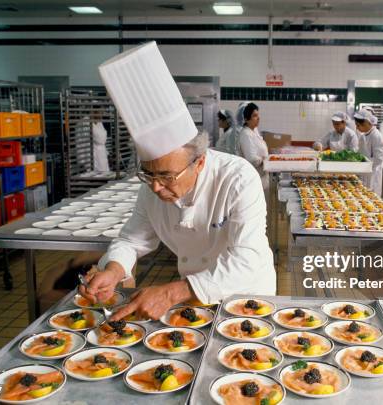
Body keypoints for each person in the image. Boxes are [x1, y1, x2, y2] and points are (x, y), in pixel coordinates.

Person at [79, 42, 276, 320]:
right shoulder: (152, 188)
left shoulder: (237, 179)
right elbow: (131, 239)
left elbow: (246, 259)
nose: (156, 186)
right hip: (194, 292)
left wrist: (170, 293)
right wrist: (114, 269)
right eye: (148, 174)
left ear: (200, 162)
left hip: (247, 293)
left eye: (167, 176)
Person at [238, 102, 269, 191]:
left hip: (262, 177)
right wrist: (265, 159)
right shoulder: (245, 134)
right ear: (247, 119)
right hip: (255, 179)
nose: (258, 118)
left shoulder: (254, 131)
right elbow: (252, 160)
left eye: (258, 115)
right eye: (255, 116)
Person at [354, 108, 383, 195]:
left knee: (372, 197)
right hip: (365, 170)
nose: (357, 128)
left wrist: (366, 164)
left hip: (373, 172)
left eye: (358, 125)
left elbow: (378, 159)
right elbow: (360, 153)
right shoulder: (364, 135)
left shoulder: (376, 135)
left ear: (367, 123)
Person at [91, 108, 110, 172]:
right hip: (93, 155)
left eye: (102, 113)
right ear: (93, 112)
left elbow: (103, 138)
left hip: (102, 153)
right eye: (100, 112)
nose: (101, 115)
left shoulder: (99, 123)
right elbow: (100, 139)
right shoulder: (86, 123)